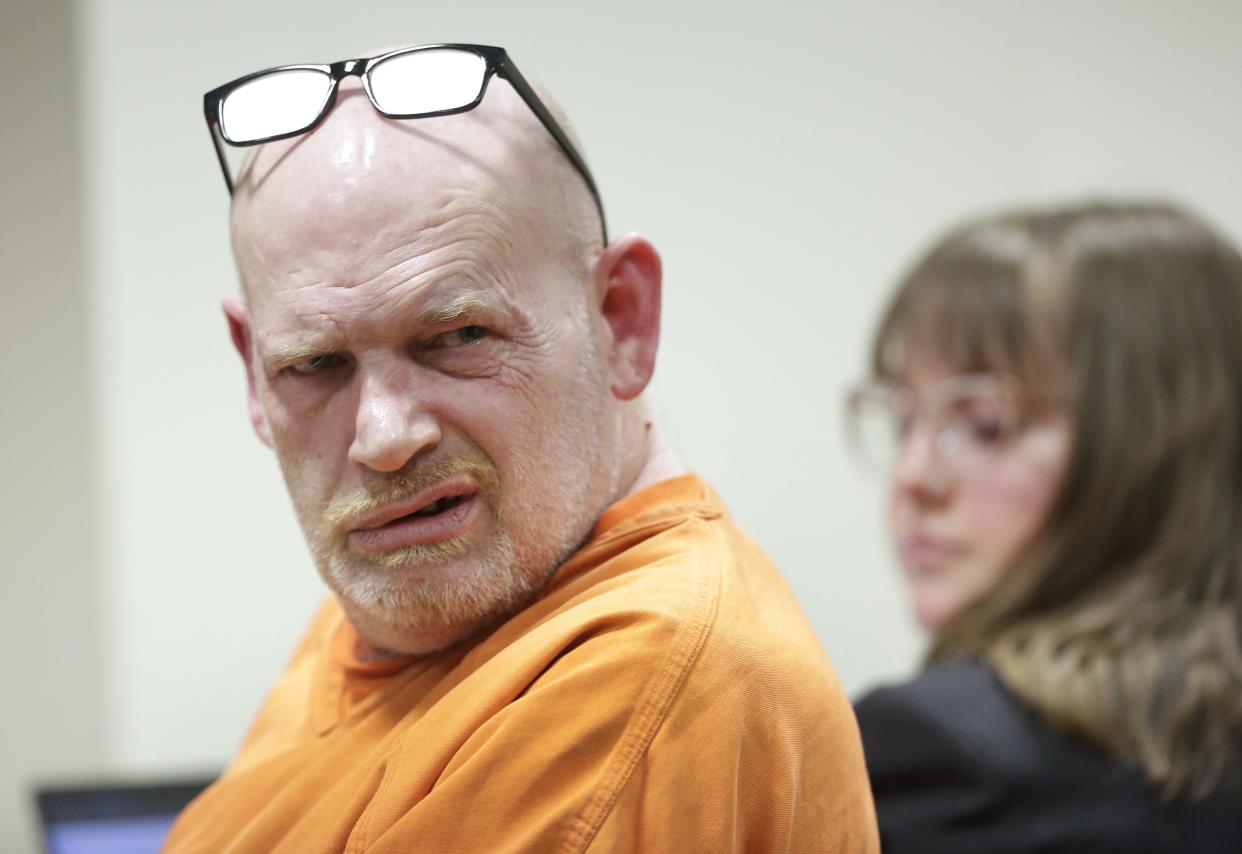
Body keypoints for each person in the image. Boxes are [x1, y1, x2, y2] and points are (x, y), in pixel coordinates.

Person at [165, 44, 879, 853]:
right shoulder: (394, 617)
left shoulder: (646, 682)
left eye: (459, 335)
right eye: (314, 365)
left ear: (620, 317)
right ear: (255, 377)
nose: (386, 438)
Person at [847, 200, 1242, 852]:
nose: (912, 477)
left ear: (1151, 450)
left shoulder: (944, 751)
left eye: (983, 425)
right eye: (902, 421)